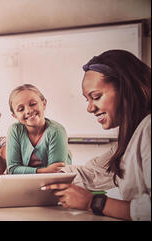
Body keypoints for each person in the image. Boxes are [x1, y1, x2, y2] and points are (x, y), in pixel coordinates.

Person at [42, 49, 151, 221]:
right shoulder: (130, 138)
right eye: (88, 99)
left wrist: (94, 203)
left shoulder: (148, 129)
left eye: (96, 97)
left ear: (127, 88)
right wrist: (47, 175)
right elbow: (93, 173)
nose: (90, 108)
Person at [6, 84, 72, 174]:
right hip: (25, 184)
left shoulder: (56, 131)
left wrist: (24, 171)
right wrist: (43, 171)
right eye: (21, 109)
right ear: (15, 116)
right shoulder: (15, 131)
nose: (28, 111)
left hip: (55, 185)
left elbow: (56, 173)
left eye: (33, 104)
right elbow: (12, 169)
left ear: (44, 104)